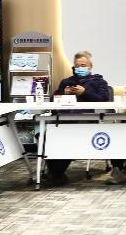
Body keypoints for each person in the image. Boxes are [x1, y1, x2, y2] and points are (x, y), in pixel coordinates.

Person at [47, 51, 113, 185]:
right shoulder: (66, 82)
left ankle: (56, 173)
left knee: (67, 135)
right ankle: (55, 173)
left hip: (88, 120)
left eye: (83, 65)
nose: (80, 68)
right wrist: (63, 93)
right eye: (77, 66)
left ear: (90, 66)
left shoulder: (99, 82)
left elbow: (103, 99)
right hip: (65, 120)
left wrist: (85, 92)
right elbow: (54, 100)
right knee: (52, 134)